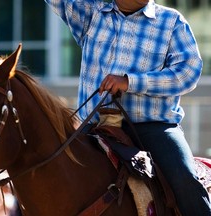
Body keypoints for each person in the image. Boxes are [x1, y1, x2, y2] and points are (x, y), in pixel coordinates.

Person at [44, 0, 211, 215]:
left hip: (153, 127)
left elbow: (187, 74)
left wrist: (130, 82)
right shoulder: (92, 13)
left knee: (184, 178)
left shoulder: (171, 22)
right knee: (47, 174)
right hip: (93, 128)